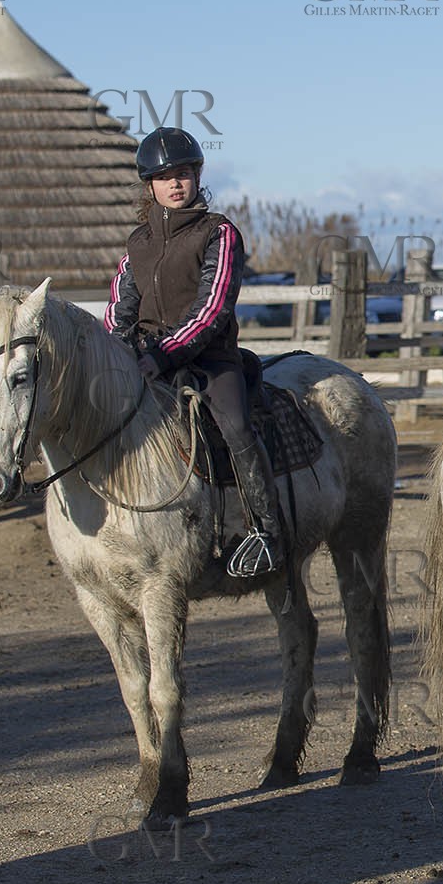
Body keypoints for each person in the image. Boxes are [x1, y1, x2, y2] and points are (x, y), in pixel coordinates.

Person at [104, 127, 283, 577]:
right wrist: (119, 352)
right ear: (151, 186)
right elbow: (119, 309)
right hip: (147, 359)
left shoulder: (219, 233)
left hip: (209, 360)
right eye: (165, 178)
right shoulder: (137, 245)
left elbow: (212, 309)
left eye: (183, 174)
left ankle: (265, 533)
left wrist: (162, 355)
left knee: (237, 428)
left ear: (197, 176)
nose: (175, 184)